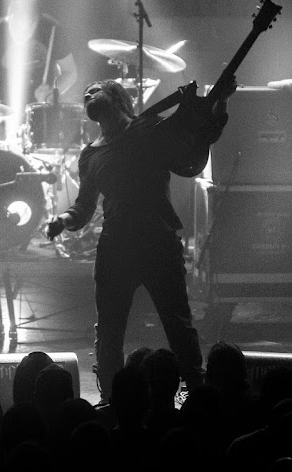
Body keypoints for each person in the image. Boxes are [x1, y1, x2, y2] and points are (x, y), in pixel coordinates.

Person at [45, 76, 235, 401]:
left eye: (95, 90)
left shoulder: (147, 129)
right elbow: (84, 206)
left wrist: (220, 102)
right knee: (109, 328)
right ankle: (110, 399)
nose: (88, 94)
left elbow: (195, 140)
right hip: (115, 247)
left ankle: (196, 395)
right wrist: (64, 220)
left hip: (158, 240)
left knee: (177, 323)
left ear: (118, 97)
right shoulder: (89, 155)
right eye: (86, 94)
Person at [0, 0, 78, 137]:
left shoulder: (51, 29)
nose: (21, 34)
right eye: (17, 27)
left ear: (37, 20)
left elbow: (70, 72)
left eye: (28, 28)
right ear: (9, 16)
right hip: (3, 110)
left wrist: (51, 94)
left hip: (41, 109)